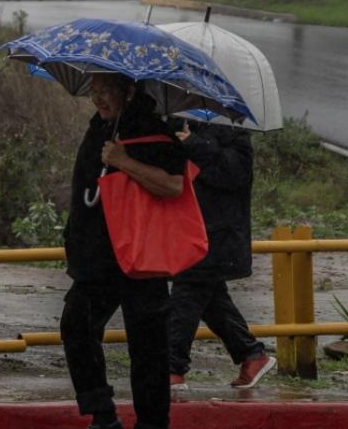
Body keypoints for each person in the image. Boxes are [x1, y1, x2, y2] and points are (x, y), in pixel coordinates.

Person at [62, 73, 186, 429]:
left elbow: (174, 185)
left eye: (105, 91)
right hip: (98, 259)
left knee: (148, 348)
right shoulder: (101, 127)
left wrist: (125, 161)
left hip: (140, 257)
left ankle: (151, 423)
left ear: (128, 91)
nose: (97, 98)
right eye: (93, 90)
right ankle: (102, 414)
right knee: (76, 325)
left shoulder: (150, 130)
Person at [167, 119, 274, 391]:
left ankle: (173, 368)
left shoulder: (231, 128)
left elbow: (235, 173)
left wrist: (193, 145)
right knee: (212, 299)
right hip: (189, 226)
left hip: (217, 232)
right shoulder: (179, 121)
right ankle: (252, 354)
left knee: (187, 290)